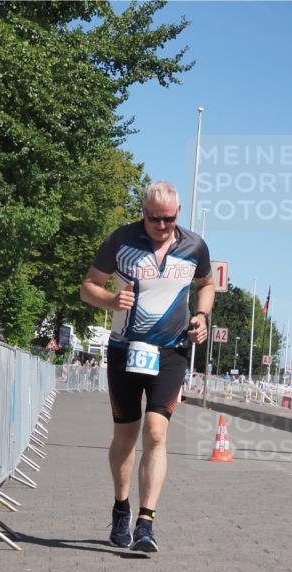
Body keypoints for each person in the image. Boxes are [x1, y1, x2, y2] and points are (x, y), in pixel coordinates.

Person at [79, 181, 214, 553]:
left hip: (171, 352)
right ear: (143, 212)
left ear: (178, 215)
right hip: (125, 349)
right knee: (126, 435)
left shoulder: (194, 246)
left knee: (156, 432)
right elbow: (87, 286)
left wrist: (202, 315)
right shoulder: (121, 241)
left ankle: (146, 522)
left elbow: (207, 284)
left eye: (169, 219)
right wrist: (110, 299)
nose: (162, 226)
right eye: (155, 218)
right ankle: (121, 507)